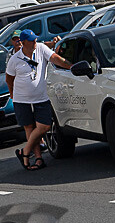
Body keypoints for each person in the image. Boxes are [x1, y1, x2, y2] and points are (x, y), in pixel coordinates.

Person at [6, 29, 72, 171]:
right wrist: (12, 95)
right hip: (22, 100)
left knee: (44, 126)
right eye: (31, 40)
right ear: (23, 43)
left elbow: (55, 58)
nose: (35, 41)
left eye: (35, 38)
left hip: (41, 98)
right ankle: (38, 158)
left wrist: (71, 66)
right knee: (29, 128)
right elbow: (9, 80)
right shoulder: (14, 59)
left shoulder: (41, 48)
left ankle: (25, 151)